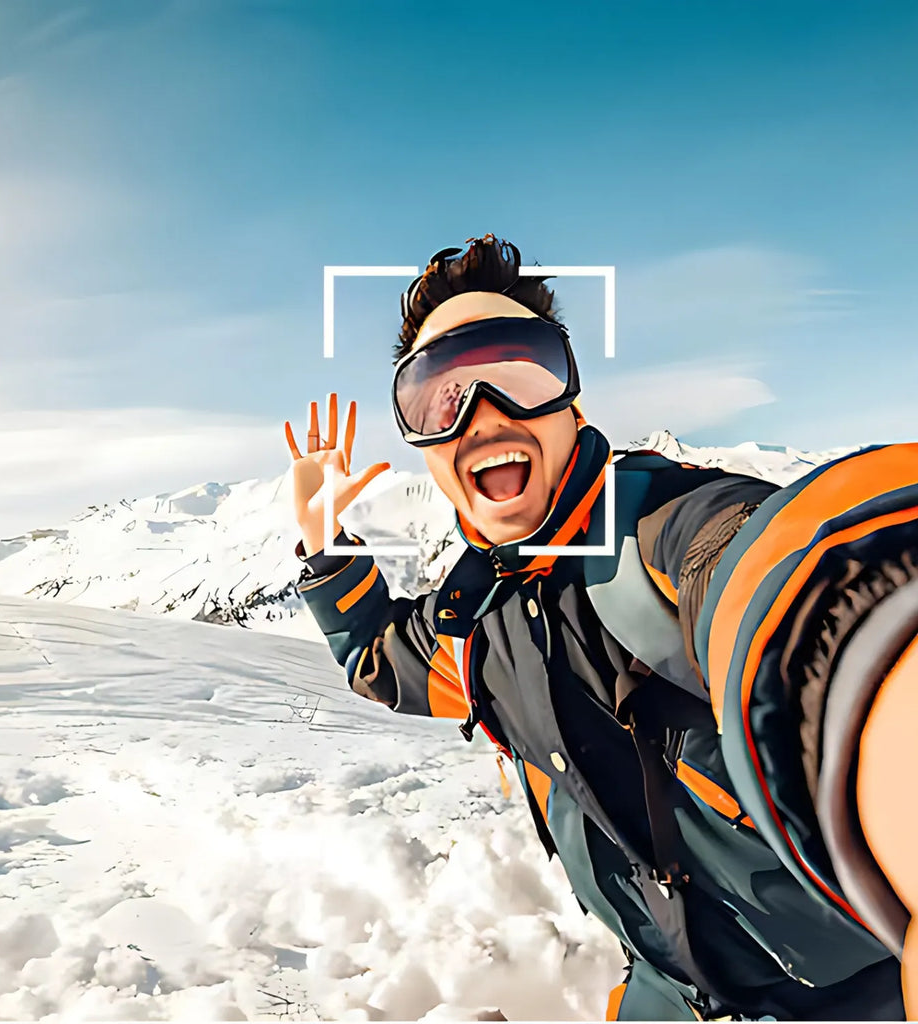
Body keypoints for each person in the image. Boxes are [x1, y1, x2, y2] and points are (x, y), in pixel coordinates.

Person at [283, 234, 918, 1020]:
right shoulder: (477, 621)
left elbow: (779, 578)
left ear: (571, 405)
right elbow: (381, 659)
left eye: (519, 373)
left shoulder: (659, 530)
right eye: (440, 395)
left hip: (853, 994)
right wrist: (325, 550)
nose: (482, 415)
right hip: (665, 995)